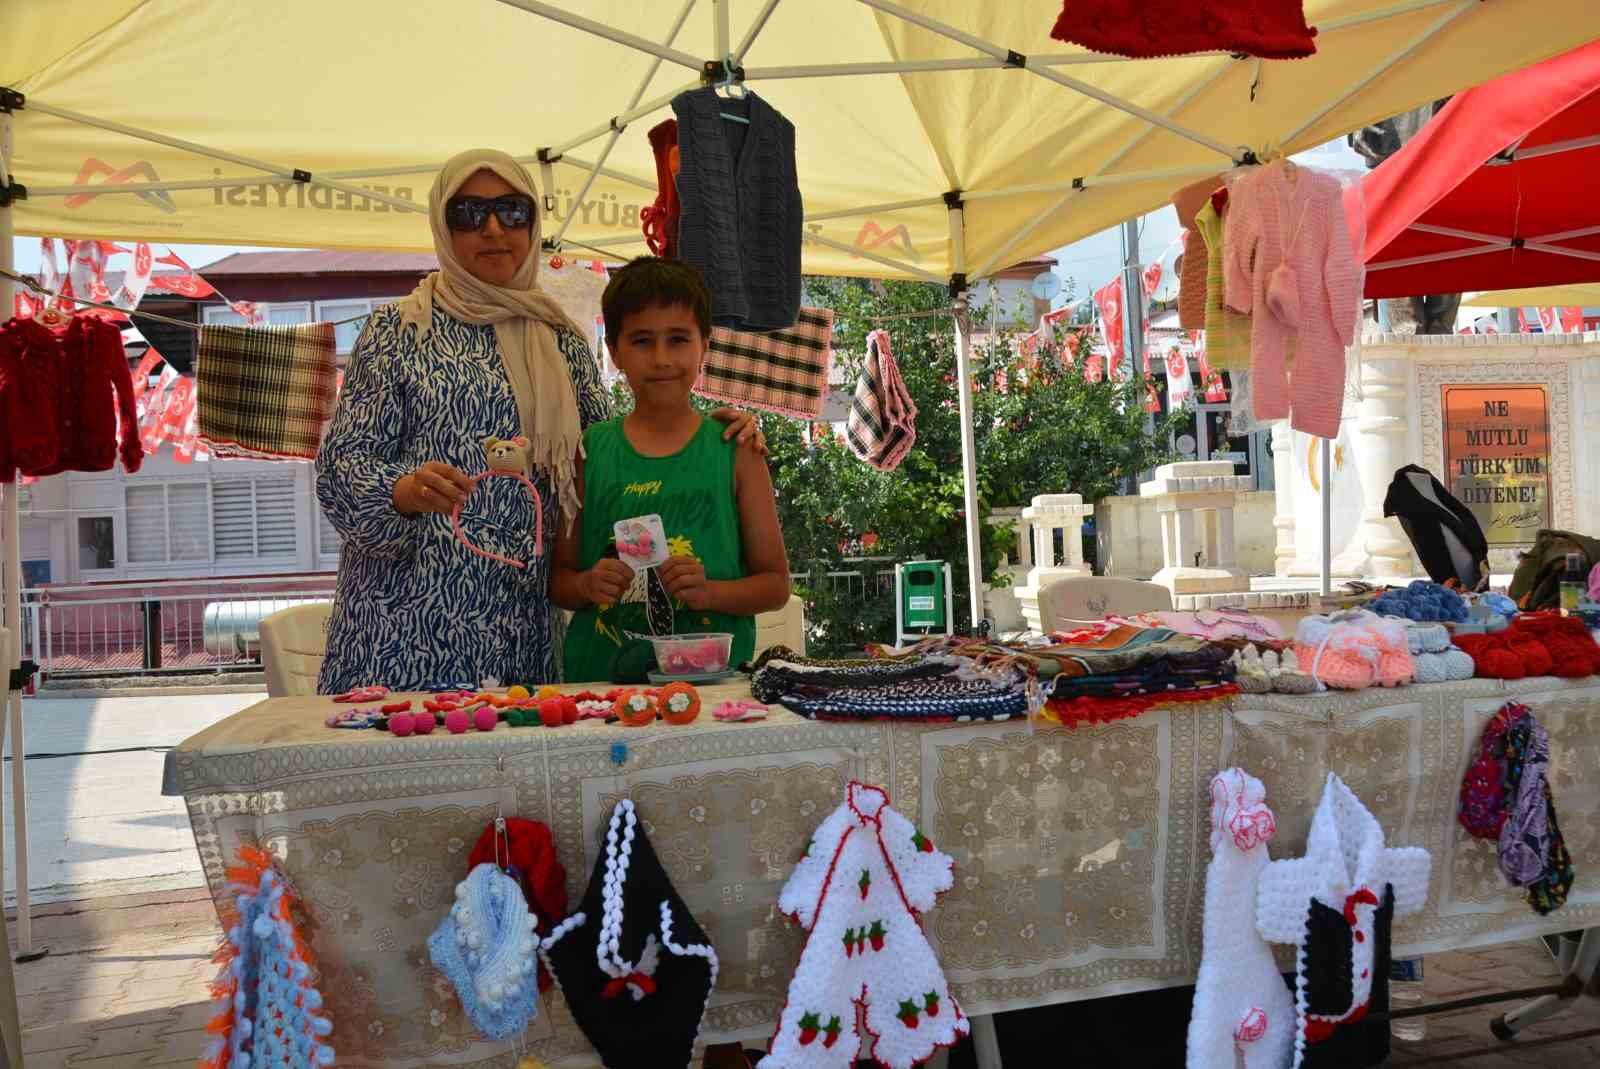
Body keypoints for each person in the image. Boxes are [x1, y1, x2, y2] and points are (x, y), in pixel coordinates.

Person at [316, 149, 762, 693]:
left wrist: (711, 430)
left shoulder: (563, 343)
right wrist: (404, 491)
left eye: (513, 210)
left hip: (523, 631)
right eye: (469, 213)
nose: (494, 228)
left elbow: (611, 461)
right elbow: (340, 469)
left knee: (519, 773)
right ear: (442, 224)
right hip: (405, 626)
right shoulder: (400, 331)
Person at [553, 257, 791, 682]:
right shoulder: (587, 452)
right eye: (642, 341)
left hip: (713, 694)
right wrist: (588, 585)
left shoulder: (736, 450)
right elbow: (558, 581)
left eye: (678, 339)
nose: (661, 358)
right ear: (614, 351)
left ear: (705, 346)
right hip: (601, 690)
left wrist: (711, 592)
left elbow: (775, 586)